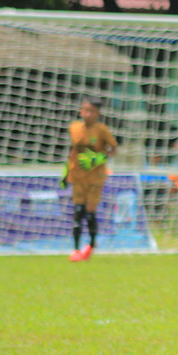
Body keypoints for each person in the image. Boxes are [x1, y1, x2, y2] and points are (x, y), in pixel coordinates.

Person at [63, 98, 117, 261]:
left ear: (97, 113)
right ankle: (76, 249)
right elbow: (73, 151)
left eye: (90, 111)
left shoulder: (101, 130)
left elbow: (113, 149)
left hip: (95, 176)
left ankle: (92, 245)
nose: (86, 114)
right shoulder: (74, 128)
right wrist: (66, 171)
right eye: (84, 110)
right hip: (78, 175)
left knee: (89, 212)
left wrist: (98, 158)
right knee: (78, 211)